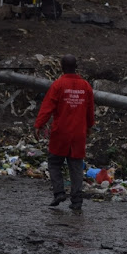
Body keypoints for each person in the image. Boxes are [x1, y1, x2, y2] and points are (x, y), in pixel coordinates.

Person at [35, 54, 94, 211]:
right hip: (78, 133)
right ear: (76, 67)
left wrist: (39, 125)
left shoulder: (58, 85)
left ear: (61, 67)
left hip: (61, 132)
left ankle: (59, 192)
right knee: (75, 167)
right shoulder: (86, 86)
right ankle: (76, 200)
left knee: (54, 163)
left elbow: (48, 107)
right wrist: (89, 127)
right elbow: (90, 111)